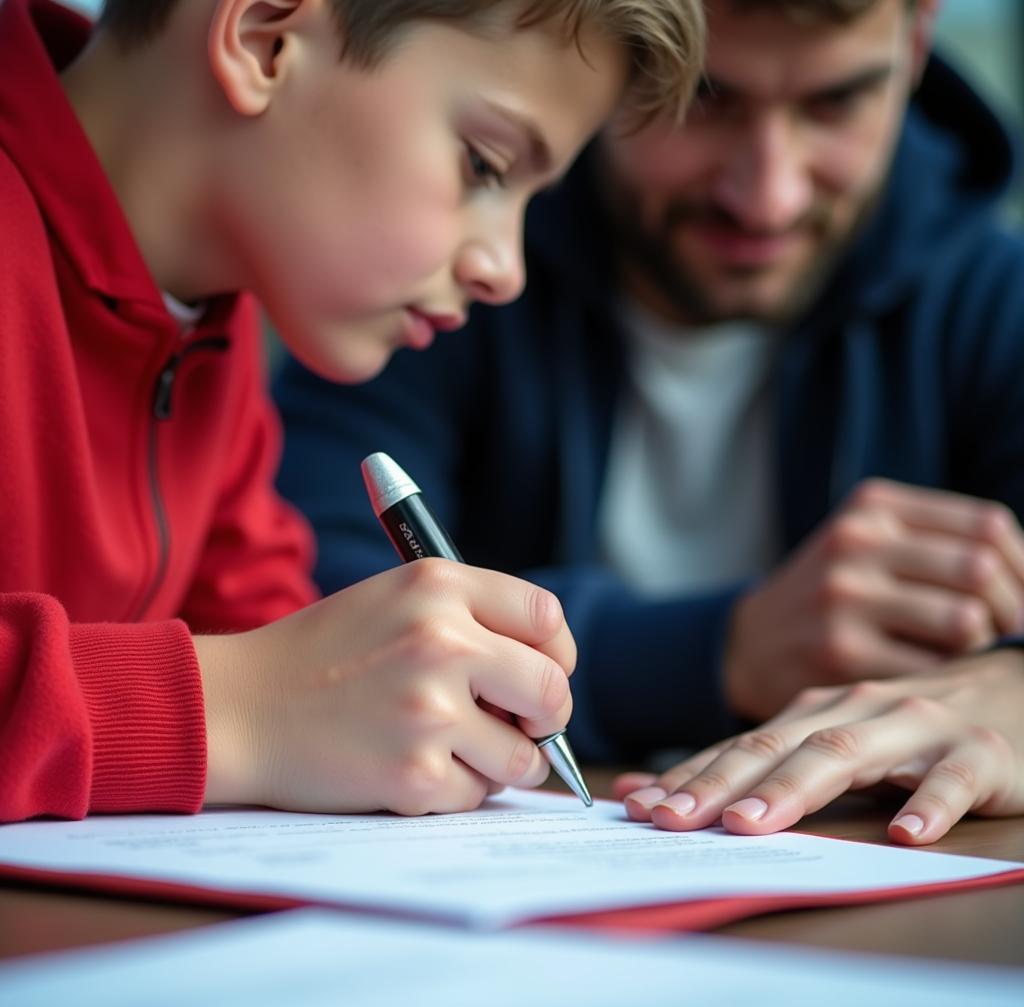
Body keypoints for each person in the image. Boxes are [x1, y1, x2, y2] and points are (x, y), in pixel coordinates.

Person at [274, 0, 1024, 843]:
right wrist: (719, 651)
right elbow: (293, 612)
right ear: (614, 48)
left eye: (836, 103)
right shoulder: (433, 258)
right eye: (702, 97)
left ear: (917, 43)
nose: (767, 196)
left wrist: (1013, 687)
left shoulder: (996, 302)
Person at [0, 0, 706, 823]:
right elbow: (270, 695)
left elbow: (276, 636)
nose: (505, 271)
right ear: (265, 39)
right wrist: (245, 708)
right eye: (485, 165)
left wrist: (392, 703)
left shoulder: (212, 320)